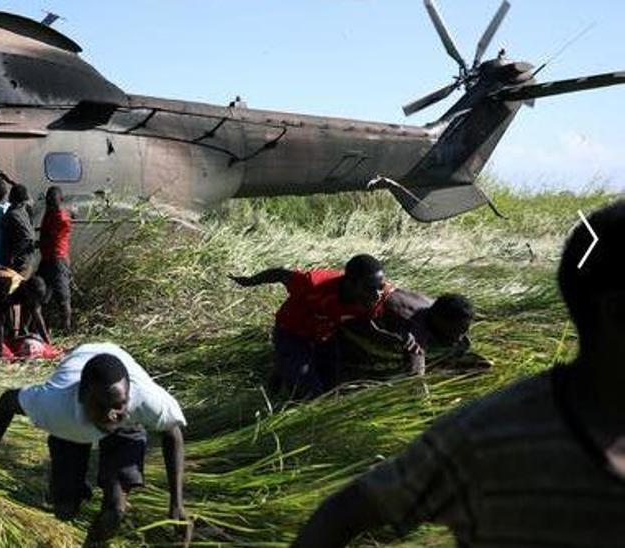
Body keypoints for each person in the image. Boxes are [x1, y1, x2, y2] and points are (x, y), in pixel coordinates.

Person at [292, 200, 625, 547]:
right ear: (616, 311)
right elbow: (347, 511)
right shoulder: (484, 439)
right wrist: (418, 399)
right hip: (354, 328)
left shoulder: (478, 421)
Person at [0, 343, 191, 545]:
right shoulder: (54, 404)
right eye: (101, 406)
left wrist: (176, 503)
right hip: (72, 420)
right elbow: (6, 402)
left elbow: (172, 433)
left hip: (125, 421)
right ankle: (76, 486)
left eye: (119, 405)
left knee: (114, 512)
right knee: (65, 510)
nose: (111, 415)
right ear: (81, 397)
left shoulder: (145, 400)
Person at [230, 254, 396, 399]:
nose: (376, 295)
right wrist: (249, 281)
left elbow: (379, 320)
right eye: (369, 288)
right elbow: (280, 274)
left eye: (379, 288)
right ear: (350, 283)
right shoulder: (314, 284)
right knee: (311, 393)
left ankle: (284, 372)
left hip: (324, 337)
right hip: (291, 333)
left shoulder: (373, 298)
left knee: (333, 386)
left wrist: (401, 340)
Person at [334, 290, 488, 380]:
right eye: (455, 332)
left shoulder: (434, 305)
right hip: (341, 322)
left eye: (463, 332)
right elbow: (415, 378)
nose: (460, 338)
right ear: (439, 321)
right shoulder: (414, 329)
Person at [38, 186, 74, 331]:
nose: (50, 204)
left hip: (57, 259)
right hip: (48, 258)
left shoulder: (60, 218)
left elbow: (50, 236)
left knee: (62, 297)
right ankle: (44, 326)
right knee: (41, 293)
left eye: (52, 201)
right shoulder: (52, 213)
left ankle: (67, 328)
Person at [1, 183, 38, 278]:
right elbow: (29, 198)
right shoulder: (26, 208)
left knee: (17, 286)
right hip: (27, 258)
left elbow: (27, 237)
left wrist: (13, 255)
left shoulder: (13, 215)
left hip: (20, 261)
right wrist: (9, 181)